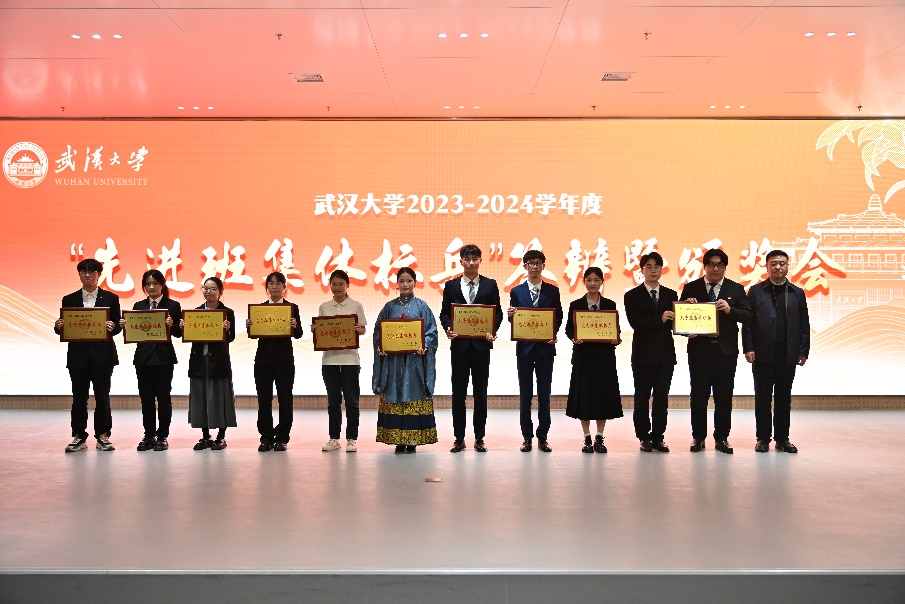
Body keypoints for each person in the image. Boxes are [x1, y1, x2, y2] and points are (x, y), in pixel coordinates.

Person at [679, 248, 753, 454]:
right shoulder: (691, 288)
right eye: (711, 264)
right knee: (698, 396)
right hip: (699, 351)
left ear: (725, 267)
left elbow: (748, 316)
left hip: (725, 352)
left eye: (720, 265)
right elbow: (680, 320)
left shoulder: (736, 289)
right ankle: (698, 437)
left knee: (724, 396)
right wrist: (686, 312)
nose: (715, 268)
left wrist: (730, 310)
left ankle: (722, 437)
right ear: (705, 266)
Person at [743, 250, 810, 453]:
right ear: (767, 266)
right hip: (762, 353)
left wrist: (803, 350)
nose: (778, 267)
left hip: (787, 354)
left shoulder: (797, 292)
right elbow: (748, 323)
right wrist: (749, 347)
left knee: (783, 397)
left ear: (788, 266)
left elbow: (804, 325)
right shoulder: (756, 291)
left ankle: (782, 439)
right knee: (762, 397)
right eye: (773, 263)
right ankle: (763, 438)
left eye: (782, 263)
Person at [439, 244, 503, 453]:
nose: (472, 263)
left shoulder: (490, 285)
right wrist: (448, 328)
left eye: (475, 258)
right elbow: (445, 314)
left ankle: (479, 437)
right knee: (458, 393)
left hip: (481, 347)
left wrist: (492, 330)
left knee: (480, 393)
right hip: (459, 347)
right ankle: (459, 438)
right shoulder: (451, 286)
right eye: (467, 259)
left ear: (480, 261)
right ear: (461, 262)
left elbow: (498, 313)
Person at [54, 258, 122, 453]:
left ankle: (103, 435)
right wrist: (58, 326)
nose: (88, 275)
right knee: (79, 397)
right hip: (78, 356)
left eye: (92, 272)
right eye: (84, 271)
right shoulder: (69, 299)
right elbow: (64, 326)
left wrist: (113, 326)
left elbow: (118, 325)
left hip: (103, 356)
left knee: (102, 396)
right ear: (79, 274)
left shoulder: (111, 298)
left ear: (99, 275)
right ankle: (78, 436)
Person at [372, 267, 439, 453]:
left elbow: (432, 332)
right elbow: (379, 332)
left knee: (413, 392)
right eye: (401, 281)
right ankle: (398, 439)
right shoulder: (389, 307)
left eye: (409, 281)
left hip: (414, 362)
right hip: (393, 363)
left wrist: (425, 344)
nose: (405, 284)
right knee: (394, 392)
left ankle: (413, 439)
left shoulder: (422, 307)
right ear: (397, 283)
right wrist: (381, 346)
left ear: (415, 283)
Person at [508, 250, 562, 453]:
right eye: (531, 263)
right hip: (524, 349)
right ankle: (527, 437)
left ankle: (543, 436)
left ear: (543, 266)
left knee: (544, 394)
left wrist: (552, 332)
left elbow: (558, 317)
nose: (534, 266)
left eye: (538, 263)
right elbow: (515, 320)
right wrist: (511, 316)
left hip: (545, 349)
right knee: (525, 394)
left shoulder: (553, 291)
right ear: (525, 266)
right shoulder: (516, 292)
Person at [564, 267, 623, 453]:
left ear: (602, 282)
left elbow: (616, 330)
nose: (592, 283)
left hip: (604, 359)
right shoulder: (575, 305)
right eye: (589, 280)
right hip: (583, 359)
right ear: (584, 282)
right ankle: (586, 437)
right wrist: (574, 338)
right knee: (584, 399)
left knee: (602, 398)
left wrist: (616, 339)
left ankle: (600, 436)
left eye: (596, 280)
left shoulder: (610, 304)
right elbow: (569, 328)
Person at [624, 252, 677, 453]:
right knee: (642, 398)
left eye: (657, 266)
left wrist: (689, 312)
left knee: (662, 398)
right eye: (649, 266)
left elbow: (677, 322)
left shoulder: (671, 295)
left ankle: (658, 436)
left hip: (665, 355)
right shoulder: (632, 295)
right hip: (643, 355)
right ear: (642, 270)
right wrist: (659, 319)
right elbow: (636, 323)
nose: (653, 270)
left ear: (662, 270)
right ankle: (643, 436)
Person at [124, 269, 182, 451]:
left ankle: (162, 436)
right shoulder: (138, 305)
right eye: (148, 284)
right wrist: (126, 326)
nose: (151, 287)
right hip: (143, 358)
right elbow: (133, 332)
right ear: (144, 287)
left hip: (164, 358)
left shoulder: (173, 305)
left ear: (162, 285)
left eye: (155, 283)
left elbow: (180, 333)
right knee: (146, 399)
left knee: (164, 398)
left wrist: (172, 325)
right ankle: (149, 435)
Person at [247, 272, 303, 452]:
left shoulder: (292, 308)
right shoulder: (260, 309)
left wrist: (295, 326)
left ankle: (282, 437)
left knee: (285, 399)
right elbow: (253, 335)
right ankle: (266, 437)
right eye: (271, 283)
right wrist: (250, 326)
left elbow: (299, 334)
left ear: (284, 287)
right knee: (264, 400)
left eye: (278, 283)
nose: (275, 287)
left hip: (284, 361)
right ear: (267, 288)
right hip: (262, 361)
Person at [183, 277, 237, 451]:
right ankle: (205, 436)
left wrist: (227, 329)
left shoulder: (227, 312)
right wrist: (185, 327)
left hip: (218, 361)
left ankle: (221, 436)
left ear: (220, 292)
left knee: (221, 397)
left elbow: (231, 338)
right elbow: (189, 336)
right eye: (206, 288)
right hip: (199, 361)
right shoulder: (195, 313)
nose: (209, 292)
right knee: (201, 397)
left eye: (213, 289)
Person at [317, 269, 367, 453]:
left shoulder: (356, 306)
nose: (337, 287)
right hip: (329, 360)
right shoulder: (324, 306)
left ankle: (352, 439)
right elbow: (321, 330)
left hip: (350, 360)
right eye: (334, 284)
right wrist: (317, 330)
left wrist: (358, 329)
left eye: (341, 284)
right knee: (333, 402)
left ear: (347, 286)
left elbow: (363, 329)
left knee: (352, 401)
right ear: (329, 285)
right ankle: (334, 439)